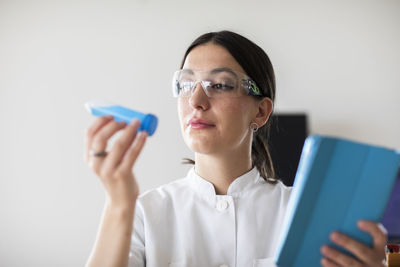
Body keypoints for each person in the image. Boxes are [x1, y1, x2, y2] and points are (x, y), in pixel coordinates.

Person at [84, 31, 387, 267]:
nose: (196, 101)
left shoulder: (304, 215)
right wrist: (119, 203)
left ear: (261, 112)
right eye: (187, 84)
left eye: (221, 84)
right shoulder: (141, 213)